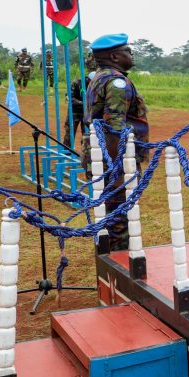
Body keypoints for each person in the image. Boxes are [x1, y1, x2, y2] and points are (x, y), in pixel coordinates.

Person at [85, 34, 148, 252]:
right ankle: (119, 268)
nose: (132, 54)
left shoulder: (100, 77)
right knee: (120, 219)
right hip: (114, 160)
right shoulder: (117, 83)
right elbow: (114, 128)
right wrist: (117, 171)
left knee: (110, 217)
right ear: (114, 56)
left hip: (100, 157)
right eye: (128, 51)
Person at [63, 71, 91, 150]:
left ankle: (85, 152)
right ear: (88, 79)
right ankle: (67, 152)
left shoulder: (95, 85)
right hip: (74, 111)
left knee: (87, 133)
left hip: (86, 112)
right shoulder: (76, 83)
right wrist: (83, 103)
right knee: (70, 132)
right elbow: (70, 98)